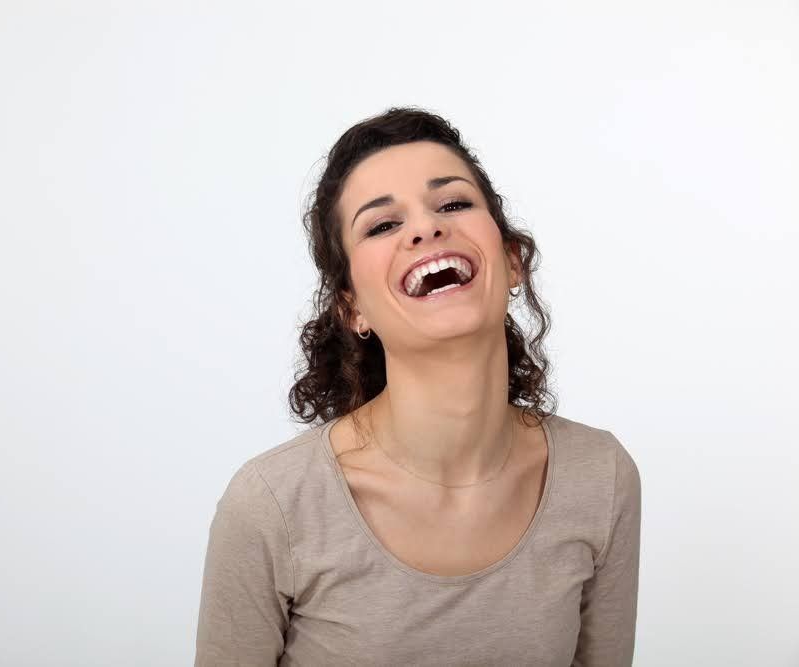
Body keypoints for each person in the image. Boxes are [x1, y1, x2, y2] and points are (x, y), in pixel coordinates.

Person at [194, 106, 641, 666]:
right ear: (352, 308)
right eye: (382, 225)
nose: (426, 228)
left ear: (512, 259)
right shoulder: (272, 504)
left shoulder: (601, 476)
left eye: (453, 203)